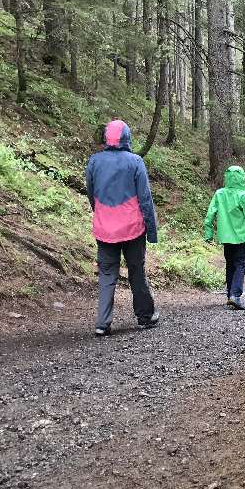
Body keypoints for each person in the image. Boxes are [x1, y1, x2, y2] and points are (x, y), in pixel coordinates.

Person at [85, 119, 160, 336]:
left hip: (105, 227)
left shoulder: (94, 162)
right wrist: (151, 231)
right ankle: (145, 316)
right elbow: (145, 198)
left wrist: (100, 213)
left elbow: (92, 193)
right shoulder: (135, 161)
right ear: (127, 137)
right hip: (133, 228)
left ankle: (102, 322)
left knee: (107, 273)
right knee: (137, 270)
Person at [203, 165, 245, 310]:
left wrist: (208, 233)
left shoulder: (219, 194)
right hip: (240, 237)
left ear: (226, 177)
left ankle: (229, 295)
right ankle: (235, 295)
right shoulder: (243, 196)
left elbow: (209, 215)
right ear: (242, 178)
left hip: (225, 237)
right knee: (240, 264)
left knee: (230, 264)